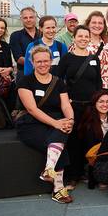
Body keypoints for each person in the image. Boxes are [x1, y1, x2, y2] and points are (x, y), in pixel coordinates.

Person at [16, 45, 74, 204]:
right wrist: (56, 123)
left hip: (54, 121)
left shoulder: (58, 82)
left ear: (51, 61)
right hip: (30, 123)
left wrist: (70, 120)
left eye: (45, 61)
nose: (42, 64)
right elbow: (32, 109)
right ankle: (58, 188)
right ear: (32, 63)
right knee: (59, 143)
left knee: (62, 130)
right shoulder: (25, 81)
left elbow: (66, 105)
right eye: (38, 61)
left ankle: (49, 170)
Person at [57, 25, 103, 188]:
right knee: (74, 141)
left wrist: (100, 104)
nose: (83, 39)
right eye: (80, 36)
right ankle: (73, 176)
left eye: (86, 36)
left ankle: (91, 174)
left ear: (89, 38)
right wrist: (64, 99)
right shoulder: (67, 59)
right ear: (74, 38)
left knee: (92, 140)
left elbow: (99, 83)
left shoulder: (94, 59)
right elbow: (57, 81)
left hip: (91, 107)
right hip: (72, 107)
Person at [78, 89, 108, 190]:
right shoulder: (88, 121)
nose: (105, 105)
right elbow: (89, 149)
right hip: (94, 157)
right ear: (95, 103)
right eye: (101, 101)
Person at [72, 11, 108, 95]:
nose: (97, 25)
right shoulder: (77, 44)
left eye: (100, 23)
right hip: (84, 89)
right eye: (94, 22)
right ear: (88, 24)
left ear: (104, 26)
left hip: (103, 92)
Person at [9, 6, 39, 80]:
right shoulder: (15, 36)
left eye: (31, 17)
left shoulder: (43, 34)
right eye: (25, 18)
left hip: (44, 74)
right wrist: (40, 64)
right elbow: (19, 58)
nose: (28, 20)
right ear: (21, 19)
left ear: (35, 18)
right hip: (24, 75)